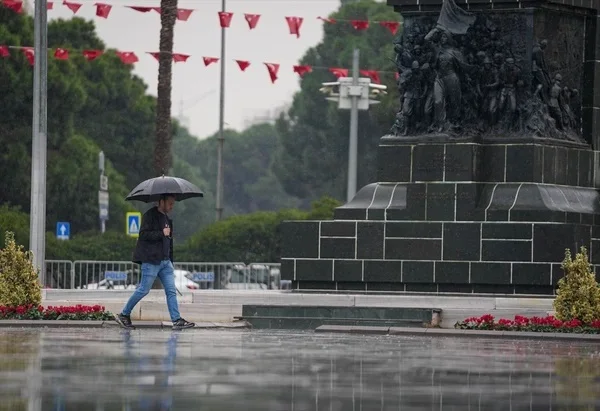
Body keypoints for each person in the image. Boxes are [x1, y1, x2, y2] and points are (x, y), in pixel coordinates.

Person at [115, 194, 195, 330]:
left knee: (171, 291)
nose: (171, 206)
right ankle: (124, 314)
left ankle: (176, 320)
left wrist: (170, 260)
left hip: (165, 262)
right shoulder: (149, 216)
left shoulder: (167, 219)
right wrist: (161, 233)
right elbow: (144, 235)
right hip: (151, 260)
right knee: (143, 290)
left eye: (173, 204)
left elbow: (169, 242)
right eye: (170, 203)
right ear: (161, 202)